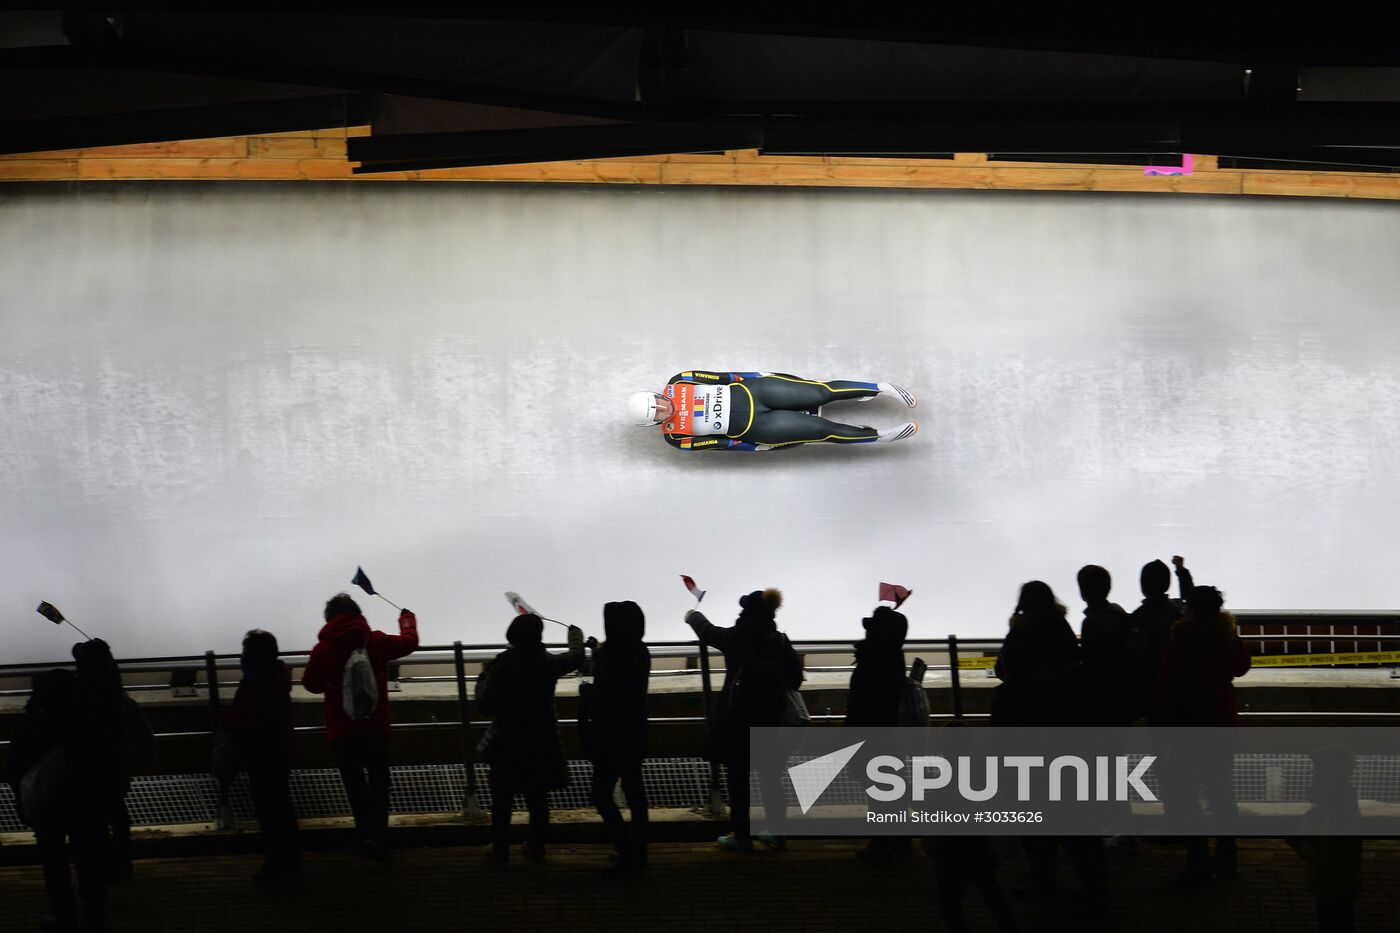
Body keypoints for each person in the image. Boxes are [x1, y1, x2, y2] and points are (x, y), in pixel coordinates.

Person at [991, 582, 1102, 903]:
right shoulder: (1062, 628)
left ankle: (1043, 881)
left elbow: (1004, 669)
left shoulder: (1022, 633)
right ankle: (1093, 889)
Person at [301, 593, 419, 861]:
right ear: (357, 613)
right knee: (379, 783)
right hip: (376, 727)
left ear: (329, 619)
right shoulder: (375, 641)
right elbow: (411, 642)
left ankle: (364, 836)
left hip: (343, 731)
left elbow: (311, 685)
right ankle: (380, 839)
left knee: (355, 786)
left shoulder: (324, 649)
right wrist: (407, 620)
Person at [685, 588, 803, 851]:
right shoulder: (779, 641)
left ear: (746, 612)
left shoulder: (736, 636)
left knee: (738, 779)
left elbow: (707, 632)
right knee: (772, 778)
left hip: (737, 721)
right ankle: (777, 831)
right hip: (770, 719)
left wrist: (693, 616)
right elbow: (795, 679)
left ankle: (741, 836)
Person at [1156, 582, 1252, 890]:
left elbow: (1167, 682)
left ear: (1191, 609)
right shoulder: (1227, 637)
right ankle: (1227, 857)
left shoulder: (1182, 640)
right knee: (1221, 792)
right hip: (1222, 723)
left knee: (1186, 796)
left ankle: (1196, 862)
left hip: (1189, 726)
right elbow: (1241, 668)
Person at [476, 613, 585, 866]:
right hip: (540, 741)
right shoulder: (547, 663)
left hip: (506, 742)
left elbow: (485, 706)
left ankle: (500, 849)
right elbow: (576, 656)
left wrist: (483, 678)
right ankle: (536, 847)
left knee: (502, 799)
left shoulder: (502, 666)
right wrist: (575, 634)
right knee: (537, 798)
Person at [8, 669, 112, 932]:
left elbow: (16, 768)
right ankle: (94, 913)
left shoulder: (32, 724)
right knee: (89, 859)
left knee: (54, 864)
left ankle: (64, 916)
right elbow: (103, 762)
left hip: (47, 807)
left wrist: (22, 805)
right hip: (85, 802)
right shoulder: (88, 722)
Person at [628, 370, 918, 450]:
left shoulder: (681, 380)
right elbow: (722, 444)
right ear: (655, 423)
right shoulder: (676, 438)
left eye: (660, 404)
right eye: (658, 414)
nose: (664, 410)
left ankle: (882, 388)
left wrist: (757, 375)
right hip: (757, 428)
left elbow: (724, 377)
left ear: (659, 395)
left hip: (756, 391)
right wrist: (755, 448)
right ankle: (878, 436)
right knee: (822, 431)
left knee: (821, 391)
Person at [72, 638, 152, 885]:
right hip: (115, 768)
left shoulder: (78, 700)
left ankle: (99, 869)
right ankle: (122, 865)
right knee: (117, 813)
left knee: (91, 821)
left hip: (86, 770)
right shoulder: (121, 701)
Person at [224, 629, 300, 884]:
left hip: (261, 756)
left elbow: (244, 720)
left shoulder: (255, 684)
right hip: (280, 753)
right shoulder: (278, 679)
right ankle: (288, 864)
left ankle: (276, 868)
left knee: (270, 815)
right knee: (282, 811)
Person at [583, 601, 651, 875]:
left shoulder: (614, 654)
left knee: (600, 794)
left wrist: (588, 694)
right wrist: (594, 649)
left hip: (611, 734)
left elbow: (607, 692)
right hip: (635, 730)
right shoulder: (638, 650)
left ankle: (627, 849)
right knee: (635, 791)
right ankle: (639, 851)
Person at [846, 605, 911, 864]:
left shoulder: (872, 659)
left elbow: (861, 704)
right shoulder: (893, 657)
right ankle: (899, 841)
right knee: (890, 790)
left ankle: (880, 845)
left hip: (870, 734)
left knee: (879, 792)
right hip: (888, 732)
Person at [1288, 746, 1363, 933]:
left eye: (1318, 771)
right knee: (1341, 919)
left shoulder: (1332, 808)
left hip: (1331, 881)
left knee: (1331, 920)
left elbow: (1326, 850)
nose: (1314, 776)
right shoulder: (1342, 801)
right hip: (1341, 881)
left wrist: (1298, 844)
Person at [1130, 555, 1195, 724]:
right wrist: (1181, 571)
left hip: (1152, 692)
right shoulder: (1178, 612)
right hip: (1180, 690)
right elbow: (1190, 600)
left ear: (1143, 586)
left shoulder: (1138, 617)